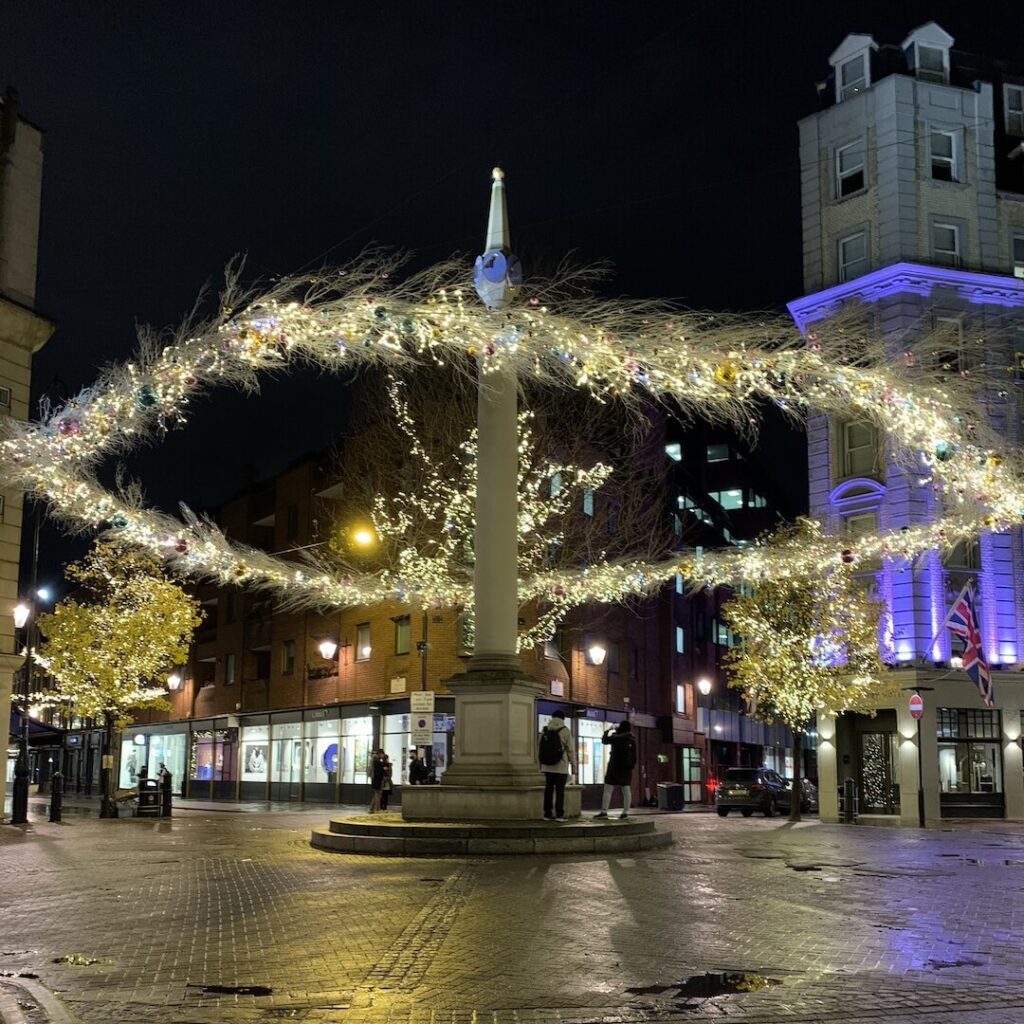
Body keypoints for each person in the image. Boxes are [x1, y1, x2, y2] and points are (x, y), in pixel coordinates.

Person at [593, 720, 636, 819]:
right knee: (626, 790)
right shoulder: (631, 740)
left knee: (608, 789)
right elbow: (634, 756)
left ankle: (604, 811)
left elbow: (604, 741)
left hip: (614, 767)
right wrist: (631, 765)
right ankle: (625, 812)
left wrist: (608, 730)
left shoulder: (616, 738)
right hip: (626, 769)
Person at [539, 709, 575, 821]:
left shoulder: (545, 730)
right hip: (561, 766)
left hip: (547, 766)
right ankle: (559, 814)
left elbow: (540, 748)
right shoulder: (565, 731)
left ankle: (547, 814)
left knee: (548, 790)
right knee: (560, 791)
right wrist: (573, 763)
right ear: (563, 719)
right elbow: (570, 750)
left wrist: (540, 763)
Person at [369, 749, 386, 813]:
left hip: (374, 778)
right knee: (378, 794)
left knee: (376, 794)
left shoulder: (374, 760)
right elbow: (378, 771)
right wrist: (383, 770)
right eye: (382, 754)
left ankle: (371, 809)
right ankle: (377, 809)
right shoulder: (376, 760)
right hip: (377, 779)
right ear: (380, 754)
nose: (383, 756)